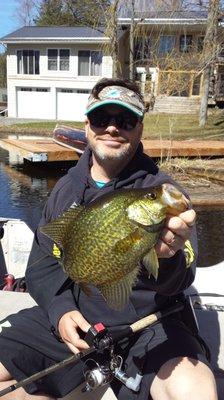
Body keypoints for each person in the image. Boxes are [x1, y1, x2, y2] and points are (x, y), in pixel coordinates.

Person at [0, 78, 217, 400]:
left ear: (139, 129)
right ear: (87, 127)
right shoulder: (65, 189)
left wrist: (169, 259)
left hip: (148, 323)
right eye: (103, 119)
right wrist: (60, 310)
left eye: (126, 121)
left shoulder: (163, 193)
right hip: (75, 319)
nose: (113, 129)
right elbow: (42, 266)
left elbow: (182, 275)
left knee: (192, 387)